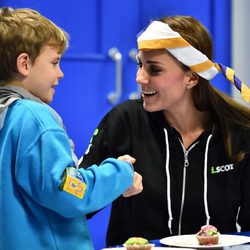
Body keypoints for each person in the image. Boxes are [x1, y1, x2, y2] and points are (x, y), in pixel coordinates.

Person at [80, 15, 250, 247]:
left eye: (154, 69)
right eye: (141, 65)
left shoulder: (240, 132)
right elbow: (75, 203)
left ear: (191, 77)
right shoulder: (124, 121)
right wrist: (109, 181)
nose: (140, 78)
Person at [0, 7, 143, 250]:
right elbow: (67, 190)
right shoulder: (34, 117)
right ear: (24, 63)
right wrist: (120, 173)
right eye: (54, 62)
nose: (61, 73)